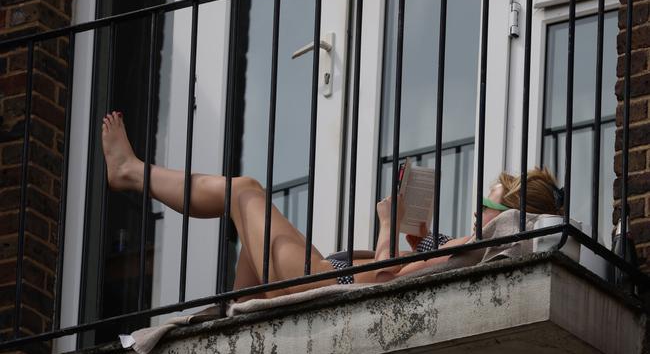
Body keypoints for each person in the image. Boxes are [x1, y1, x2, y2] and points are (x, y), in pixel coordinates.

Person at [101, 111, 563, 299]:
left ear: (504, 217)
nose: (478, 207)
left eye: (489, 201)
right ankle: (224, 312)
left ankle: (130, 172)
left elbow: (386, 278)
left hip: (324, 278)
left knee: (243, 190)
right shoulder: (472, 250)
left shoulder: (474, 244)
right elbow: (417, 264)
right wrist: (417, 234)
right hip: (326, 274)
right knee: (247, 231)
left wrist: (387, 226)